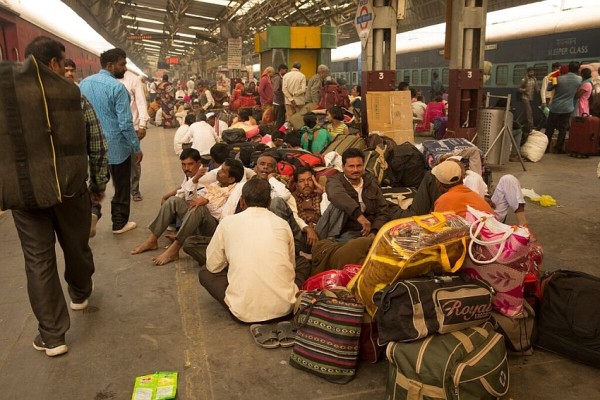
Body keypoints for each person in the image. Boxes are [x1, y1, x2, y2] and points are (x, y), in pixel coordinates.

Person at [10, 36, 107, 356]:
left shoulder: (7, 97)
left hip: (26, 196)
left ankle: (53, 337)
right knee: (76, 246)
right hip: (71, 189)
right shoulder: (72, 96)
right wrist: (98, 185)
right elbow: (95, 141)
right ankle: (80, 293)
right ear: (53, 64)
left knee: (38, 262)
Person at [199, 178, 298, 323]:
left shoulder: (227, 223)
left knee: (205, 273)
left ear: (242, 201)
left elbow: (213, 266)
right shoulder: (282, 224)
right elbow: (291, 266)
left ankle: (243, 298)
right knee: (301, 263)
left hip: (244, 313)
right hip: (285, 310)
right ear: (269, 202)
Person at [132, 152, 244, 265]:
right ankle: (152, 239)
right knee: (173, 201)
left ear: (231, 179)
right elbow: (189, 198)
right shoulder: (216, 184)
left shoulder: (235, 191)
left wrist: (206, 202)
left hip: (213, 228)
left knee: (199, 208)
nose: (218, 172)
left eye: (223, 171)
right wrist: (195, 181)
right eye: (220, 169)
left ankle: (175, 248)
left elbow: (223, 217)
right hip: (197, 220)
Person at [79, 47, 142, 234]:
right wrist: (136, 147)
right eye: (122, 65)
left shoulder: (83, 84)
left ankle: (93, 211)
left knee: (97, 183)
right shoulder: (118, 88)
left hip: (92, 146)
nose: (125, 69)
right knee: (122, 186)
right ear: (110, 65)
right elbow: (125, 123)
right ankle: (119, 223)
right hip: (117, 147)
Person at [63, 59, 109, 238]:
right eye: (65, 69)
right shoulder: (78, 95)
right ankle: (92, 213)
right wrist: (99, 185)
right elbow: (98, 145)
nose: (68, 73)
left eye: (71, 70)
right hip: (75, 170)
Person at [317, 148, 391, 242]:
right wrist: (359, 216)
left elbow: (383, 210)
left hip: (369, 230)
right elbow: (336, 195)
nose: (356, 170)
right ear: (343, 167)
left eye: (359, 166)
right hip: (344, 231)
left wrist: (374, 231)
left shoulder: (370, 183)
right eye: (351, 166)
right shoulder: (335, 180)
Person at [119, 70, 150, 202]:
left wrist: (142, 124)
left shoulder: (133, 80)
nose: (124, 67)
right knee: (118, 161)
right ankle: (122, 190)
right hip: (115, 129)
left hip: (132, 127)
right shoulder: (107, 81)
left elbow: (141, 102)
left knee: (134, 160)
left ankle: (134, 189)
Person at [545, 61, 582, 153]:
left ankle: (546, 148)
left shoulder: (559, 78)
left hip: (555, 107)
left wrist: (553, 81)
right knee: (563, 129)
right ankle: (559, 148)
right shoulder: (579, 79)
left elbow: (549, 88)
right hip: (568, 107)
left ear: (569, 68)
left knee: (550, 128)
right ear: (577, 69)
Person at [272, 64, 288, 130]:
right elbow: (275, 90)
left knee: (280, 120)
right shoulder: (277, 78)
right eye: (285, 70)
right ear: (281, 70)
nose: (286, 72)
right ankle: (277, 134)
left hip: (279, 102)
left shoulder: (279, 77)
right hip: (278, 103)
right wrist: (281, 98)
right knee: (279, 120)